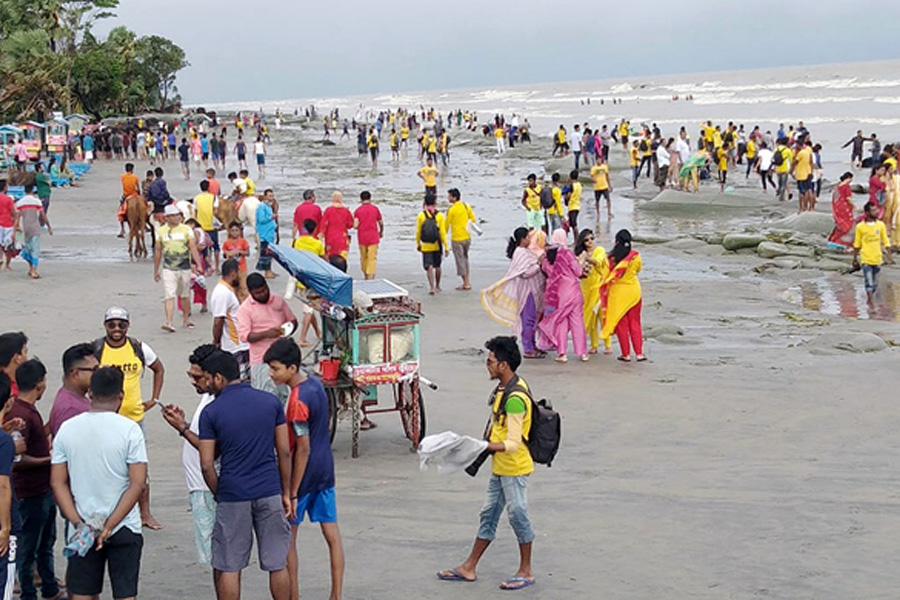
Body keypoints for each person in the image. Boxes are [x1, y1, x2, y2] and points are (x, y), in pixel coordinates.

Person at [437, 336, 536, 591]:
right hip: (501, 467)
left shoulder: (514, 397)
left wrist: (480, 446)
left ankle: (526, 570)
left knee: (518, 514)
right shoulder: (505, 388)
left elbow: (513, 442)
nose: (487, 365)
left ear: (503, 365)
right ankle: (469, 567)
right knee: (489, 514)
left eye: (490, 361)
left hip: (513, 467)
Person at [197, 350, 292, 600]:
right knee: (277, 563)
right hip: (269, 490)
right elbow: (283, 451)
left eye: (207, 378)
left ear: (218, 378)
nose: (206, 384)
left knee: (230, 565)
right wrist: (286, 491)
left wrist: (220, 492)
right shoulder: (270, 402)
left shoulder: (212, 412)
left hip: (233, 493)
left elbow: (207, 464)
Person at [50, 367, 147, 600]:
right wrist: (110, 525)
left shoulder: (68, 429)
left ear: (90, 394)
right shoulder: (130, 430)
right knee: (125, 594)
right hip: (124, 526)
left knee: (81, 593)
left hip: (83, 527)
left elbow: (58, 483)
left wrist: (77, 522)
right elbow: (137, 483)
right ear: (121, 395)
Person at [265, 339, 344, 600]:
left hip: (305, 473)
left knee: (289, 539)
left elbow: (302, 448)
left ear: (291, 367)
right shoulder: (315, 385)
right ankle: (336, 594)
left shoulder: (298, 400)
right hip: (325, 468)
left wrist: (293, 490)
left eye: (275, 369)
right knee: (332, 535)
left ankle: (294, 595)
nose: (271, 374)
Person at [7, 359, 63, 600]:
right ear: (40, 385)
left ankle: (49, 587)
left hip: (39, 491)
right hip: (31, 493)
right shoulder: (22, 415)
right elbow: (17, 459)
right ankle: (30, 592)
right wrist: (48, 460)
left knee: (44, 543)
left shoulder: (25, 412)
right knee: (30, 548)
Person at [160, 344, 218, 567]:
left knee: (217, 558)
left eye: (197, 377)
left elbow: (209, 448)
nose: (193, 381)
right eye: (190, 375)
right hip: (200, 486)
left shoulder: (215, 402)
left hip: (207, 488)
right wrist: (184, 423)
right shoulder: (208, 397)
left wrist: (182, 427)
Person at [481, 229, 546, 359]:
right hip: (527, 291)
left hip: (533, 290)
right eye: (527, 237)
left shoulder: (526, 252)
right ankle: (528, 348)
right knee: (528, 320)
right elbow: (525, 272)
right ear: (522, 239)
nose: (529, 240)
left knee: (533, 319)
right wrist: (538, 265)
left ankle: (533, 345)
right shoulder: (520, 253)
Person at [237, 273, 298, 405]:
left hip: (283, 359)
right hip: (261, 362)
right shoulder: (245, 310)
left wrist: (286, 329)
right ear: (251, 292)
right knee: (266, 400)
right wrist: (267, 334)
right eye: (258, 293)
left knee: (286, 396)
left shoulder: (278, 301)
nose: (263, 294)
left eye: (265, 289)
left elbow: (293, 321)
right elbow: (246, 336)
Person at [537, 230, 588, 363]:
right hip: (573, 290)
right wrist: (581, 261)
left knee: (561, 322)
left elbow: (547, 271)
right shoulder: (566, 253)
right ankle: (582, 353)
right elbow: (578, 271)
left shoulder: (547, 257)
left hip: (559, 294)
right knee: (578, 321)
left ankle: (562, 353)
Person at [155, 204, 203, 331]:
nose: (176, 218)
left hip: (184, 267)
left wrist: (198, 264)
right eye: (173, 216)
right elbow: (158, 251)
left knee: (184, 295)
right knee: (169, 295)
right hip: (168, 268)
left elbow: (192, 247)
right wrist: (156, 270)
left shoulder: (186, 230)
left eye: (177, 215)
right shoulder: (161, 231)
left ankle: (186, 319)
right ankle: (169, 322)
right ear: (167, 218)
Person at [600, 229, 645, 362]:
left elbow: (605, 275)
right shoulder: (635, 256)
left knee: (621, 324)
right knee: (635, 322)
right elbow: (638, 270)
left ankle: (626, 354)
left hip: (617, 294)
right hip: (634, 292)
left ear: (616, 241)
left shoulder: (610, 258)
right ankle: (639, 353)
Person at [0, 372, 22, 600]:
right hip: (3, 523)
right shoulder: (5, 442)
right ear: (9, 401)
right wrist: (5, 529)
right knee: (4, 583)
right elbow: (2, 486)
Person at [211, 259, 251, 381]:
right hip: (235, 345)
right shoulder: (223, 293)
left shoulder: (227, 291)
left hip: (237, 344)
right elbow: (218, 321)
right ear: (234, 273)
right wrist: (216, 341)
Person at [574, 229, 611, 355]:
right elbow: (577, 271)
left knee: (602, 316)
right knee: (591, 319)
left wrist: (587, 258)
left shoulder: (599, 250)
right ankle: (594, 345)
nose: (590, 241)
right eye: (586, 240)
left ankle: (607, 345)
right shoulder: (580, 255)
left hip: (599, 287)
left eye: (591, 238)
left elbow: (599, 262)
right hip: (586, 289)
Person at [853, 201, 893, 307]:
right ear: (866, 212)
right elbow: (857, 243)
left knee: (875, 283)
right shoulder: (860, 227)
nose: (877, 212)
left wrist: (889, 255)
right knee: (869, 281)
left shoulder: (880, 225)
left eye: (876, 210)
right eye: (873, 210)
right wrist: (855, 258)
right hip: (866, 258)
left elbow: (885, 240)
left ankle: (871, 297)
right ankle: (870, 301)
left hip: (877, 258)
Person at [15, 184, 53, 280]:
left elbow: (17, 217)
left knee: (28, 248)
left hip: (26, 228)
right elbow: (43, 215)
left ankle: (30, 268)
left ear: (24, 191)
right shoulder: (37, 202)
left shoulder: (20, 203)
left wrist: (16, 227)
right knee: (35, 250)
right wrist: (49, 226)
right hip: (35, 228)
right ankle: (34, 271)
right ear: (32, 191)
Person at [415, 194, 448, 295]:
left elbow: (418, 231)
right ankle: (438, 285)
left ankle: (431, 287)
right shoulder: (439, 216)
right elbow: (442, 232)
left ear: (424, 203)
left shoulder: (421, 215)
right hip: (437, 244)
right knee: (437, 266)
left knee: (429, 266)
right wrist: (446, 247)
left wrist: (418, 244)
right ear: (435, 203)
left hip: (425, 245)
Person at [445, 188, 476, 291]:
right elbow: (473, 219)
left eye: (449, 196)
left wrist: (442, 237)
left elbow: (446, 225)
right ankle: (467, 281)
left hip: (457, 238)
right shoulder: (466, 206)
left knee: (460, 261)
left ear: (454, 197)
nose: (448, 198)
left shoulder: (451, 209)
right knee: (465, 259)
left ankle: (466, 283)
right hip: (467, 237)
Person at [353, 191, 383, 280]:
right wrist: (381, 232)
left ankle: (366, 275)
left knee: (363, 257)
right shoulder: (375, 209)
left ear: (361, 199)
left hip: (362, 237)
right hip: (373, 236)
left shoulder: (358, 211)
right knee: (372, 258)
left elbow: (355, 226)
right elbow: (380, 223)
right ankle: (370, 277)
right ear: (370, 198)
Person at [195, 180, 220, 273]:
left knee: (203, 248)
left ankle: (205, 267)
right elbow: (216, 211)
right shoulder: (213, 197)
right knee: (216, 247)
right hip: (211, 225)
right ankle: (217, 267)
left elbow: (195, 212)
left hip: (201, 226)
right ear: (208, 187)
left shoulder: (196, 198)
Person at [319, 191, 354, 259]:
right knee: (342, 257)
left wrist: (321, 234)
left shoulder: (328, 210)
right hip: (342, 237)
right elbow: (350, 225)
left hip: (330, 237)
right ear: (341, 199)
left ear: (332, 199)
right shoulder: (346, 211)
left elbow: (323, 225)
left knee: (330, 256)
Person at [828, 172, 856, 249]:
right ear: (849, 178)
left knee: (840, 224)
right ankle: (844, 242)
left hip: (838, 208)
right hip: (844, 208)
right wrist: (855, 205)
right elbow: (848, 198)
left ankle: (834, 240)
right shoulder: (846, 187)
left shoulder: (837, 186)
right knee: (848, 225)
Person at [256, 193, 278, 279]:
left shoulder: (268, 206)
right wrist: (271, 217)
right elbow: (261, 219)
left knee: (269, 253)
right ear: (265, 196)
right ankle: (267, 272)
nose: (271, 198)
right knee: (266, 253)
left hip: (269, 234)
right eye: (269, 196)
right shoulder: (262, 207)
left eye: (272, 196)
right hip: (265, 234)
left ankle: (269, 270)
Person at [792, 138, 815, 212]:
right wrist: (811, 171)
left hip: (801, 174)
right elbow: (811, 162)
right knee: (809, 190)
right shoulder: (808, 150)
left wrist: (791, 171)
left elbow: (794, 162)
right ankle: (811, 207)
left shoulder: (801, 153)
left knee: (802, 192)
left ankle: (802, 208)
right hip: (808, 172)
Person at [563, 170, 582, 243]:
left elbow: (563, 191)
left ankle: (576, 240)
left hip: (572, 206)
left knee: (574, 224)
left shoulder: (572, 186)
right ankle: (576, 240)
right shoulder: (579, 185)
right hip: (577, 205)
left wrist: (566, 183)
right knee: (573, 223)